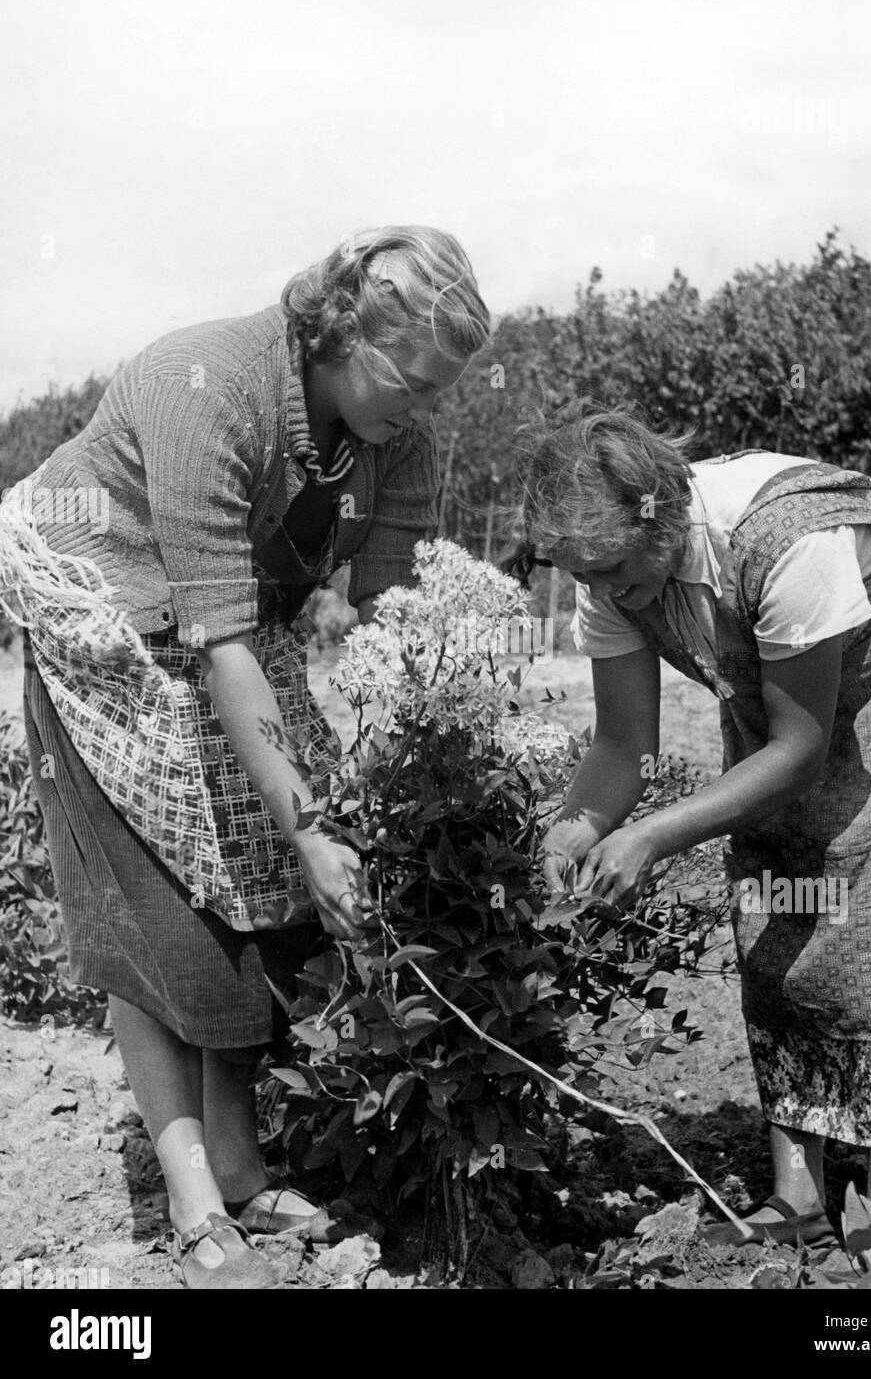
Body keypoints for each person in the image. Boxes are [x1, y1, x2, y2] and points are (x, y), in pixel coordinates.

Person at [0, 226, 490, 1287]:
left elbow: (385, 614)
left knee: (267, 887)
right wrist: (310, 823)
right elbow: (219, 644)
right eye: (414, 379)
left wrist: (409, 756)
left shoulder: (394, 438)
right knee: (156, 902)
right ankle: (188, 1187)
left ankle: (236, 1153)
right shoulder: (209, 388)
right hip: (101, 613)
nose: (426, 407)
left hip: (221, 625)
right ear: (346, 333)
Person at [510, 399, 871, 1246]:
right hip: (783, 701)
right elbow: (623, 742)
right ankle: (799, 1199)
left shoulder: (787, 543)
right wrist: (575, 829)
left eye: (609, 570)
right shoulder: (614, 576)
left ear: (656, 516)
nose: (597, 592)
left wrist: (654, 835)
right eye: (581, 576)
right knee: (781, 903)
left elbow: (800, 750)